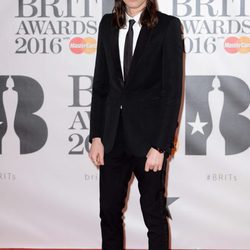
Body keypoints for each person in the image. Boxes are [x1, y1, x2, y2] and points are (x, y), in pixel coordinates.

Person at [88, 0, 183, 249]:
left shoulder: (168, 27)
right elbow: (100, 85)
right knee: (108, 213)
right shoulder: (107, 25)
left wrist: (160, 146)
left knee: (154, 216)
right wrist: (96, 135)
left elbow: (171, 92)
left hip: (149, 141)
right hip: (111, 138)